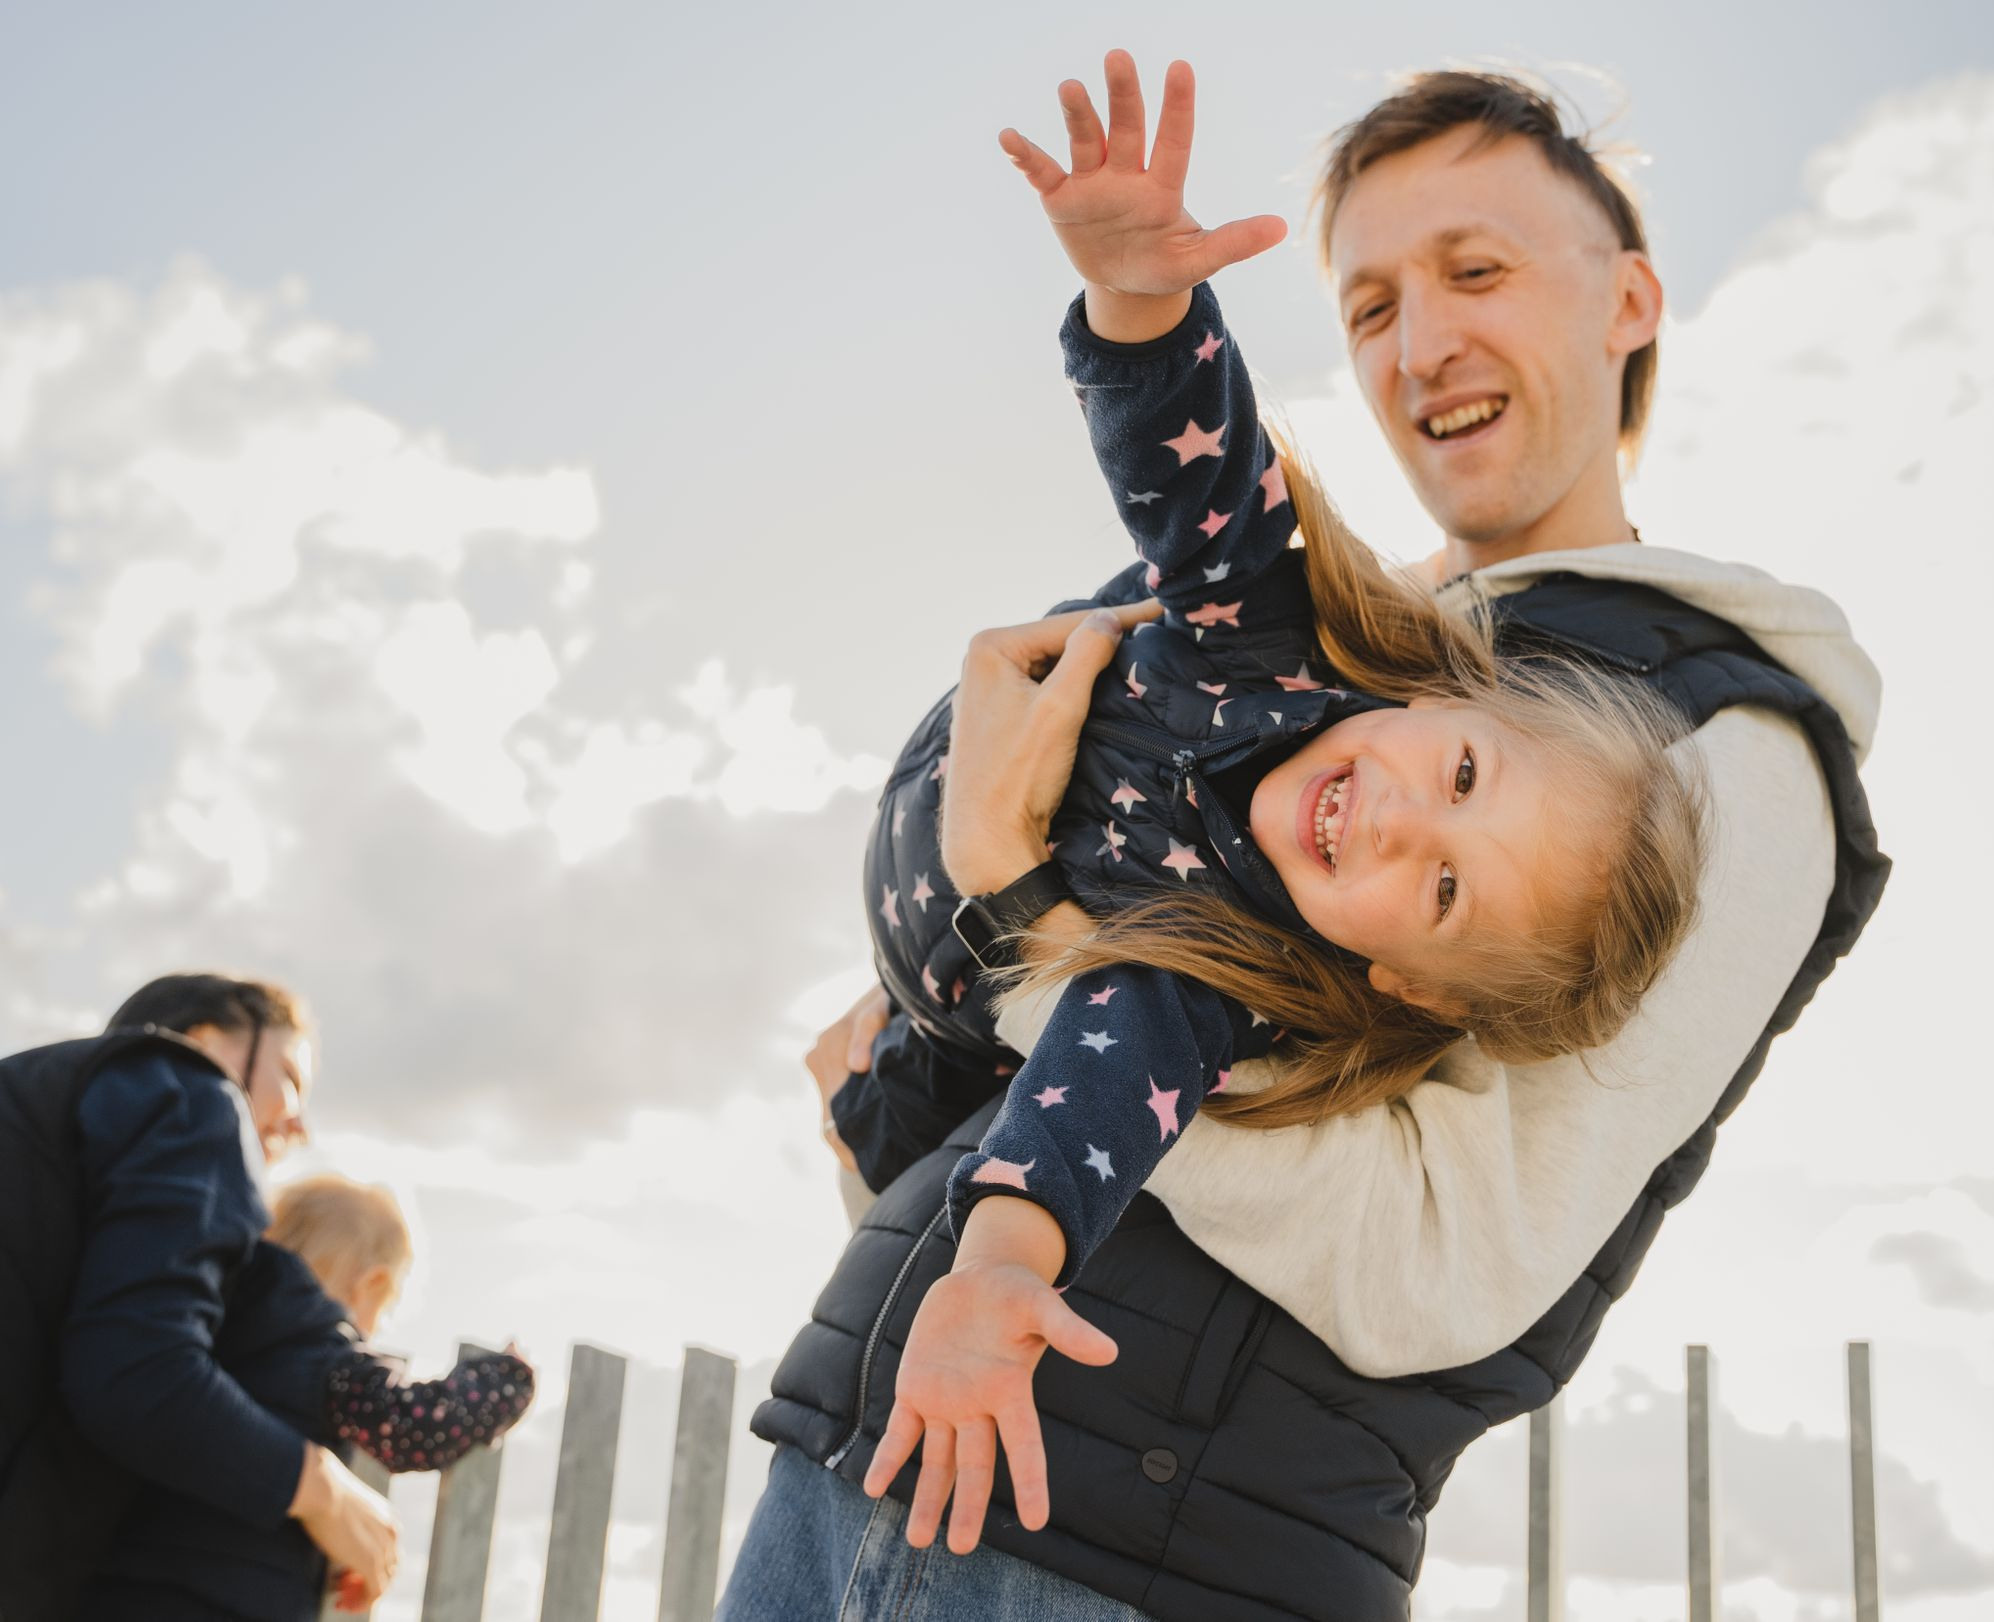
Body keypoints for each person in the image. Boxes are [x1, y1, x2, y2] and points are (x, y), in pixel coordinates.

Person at [737, 54, 1890, 1622]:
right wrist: (905, 1113)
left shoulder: (1712, 745)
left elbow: (1432, 1257)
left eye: (1475, 269)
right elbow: (1189, 462)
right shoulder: (1335, 645)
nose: (1422, 343)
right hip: (872, 1435)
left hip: (1133, 1552)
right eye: (1367, 305)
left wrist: (1014, 917)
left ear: (1628, 299)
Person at [0, 975, 402, 1619]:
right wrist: (325, 1492)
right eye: (291, 1078)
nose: (299, 1124)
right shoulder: (195, 1090)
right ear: (205, 1040)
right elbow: (137, 1373)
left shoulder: (41, 1107)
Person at [80, 1174, 536, 1620]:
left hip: (125, 1583)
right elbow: (414, 1424)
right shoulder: (327, 1358)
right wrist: (506, 1381)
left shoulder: (208, 1339)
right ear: (372, 1285)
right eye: (388, 1308)